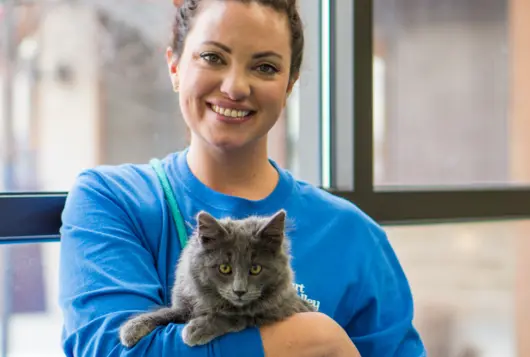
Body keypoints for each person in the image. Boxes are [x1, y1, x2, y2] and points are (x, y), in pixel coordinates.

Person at [58, 0, 426, 356]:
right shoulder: (113, 201)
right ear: (174, 65)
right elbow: (110, 351)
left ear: (289, 86)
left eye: (265, 67)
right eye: (213, 57)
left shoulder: (352, 235)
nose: (235, 87)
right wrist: (314, 337)